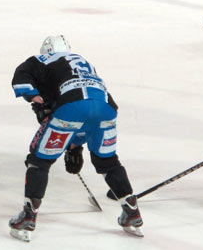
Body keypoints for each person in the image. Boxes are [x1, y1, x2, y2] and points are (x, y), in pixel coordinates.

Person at [8, 35, 143, 242]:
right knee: (107, 161)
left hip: (71, 108)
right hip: (106, 108)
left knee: (39, 161)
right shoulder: (83, 61)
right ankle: (132, 213)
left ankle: (27, 218)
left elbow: (21, 77)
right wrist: (74, 147)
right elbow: (86, 113)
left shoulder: (42, 59)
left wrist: (37, 102)